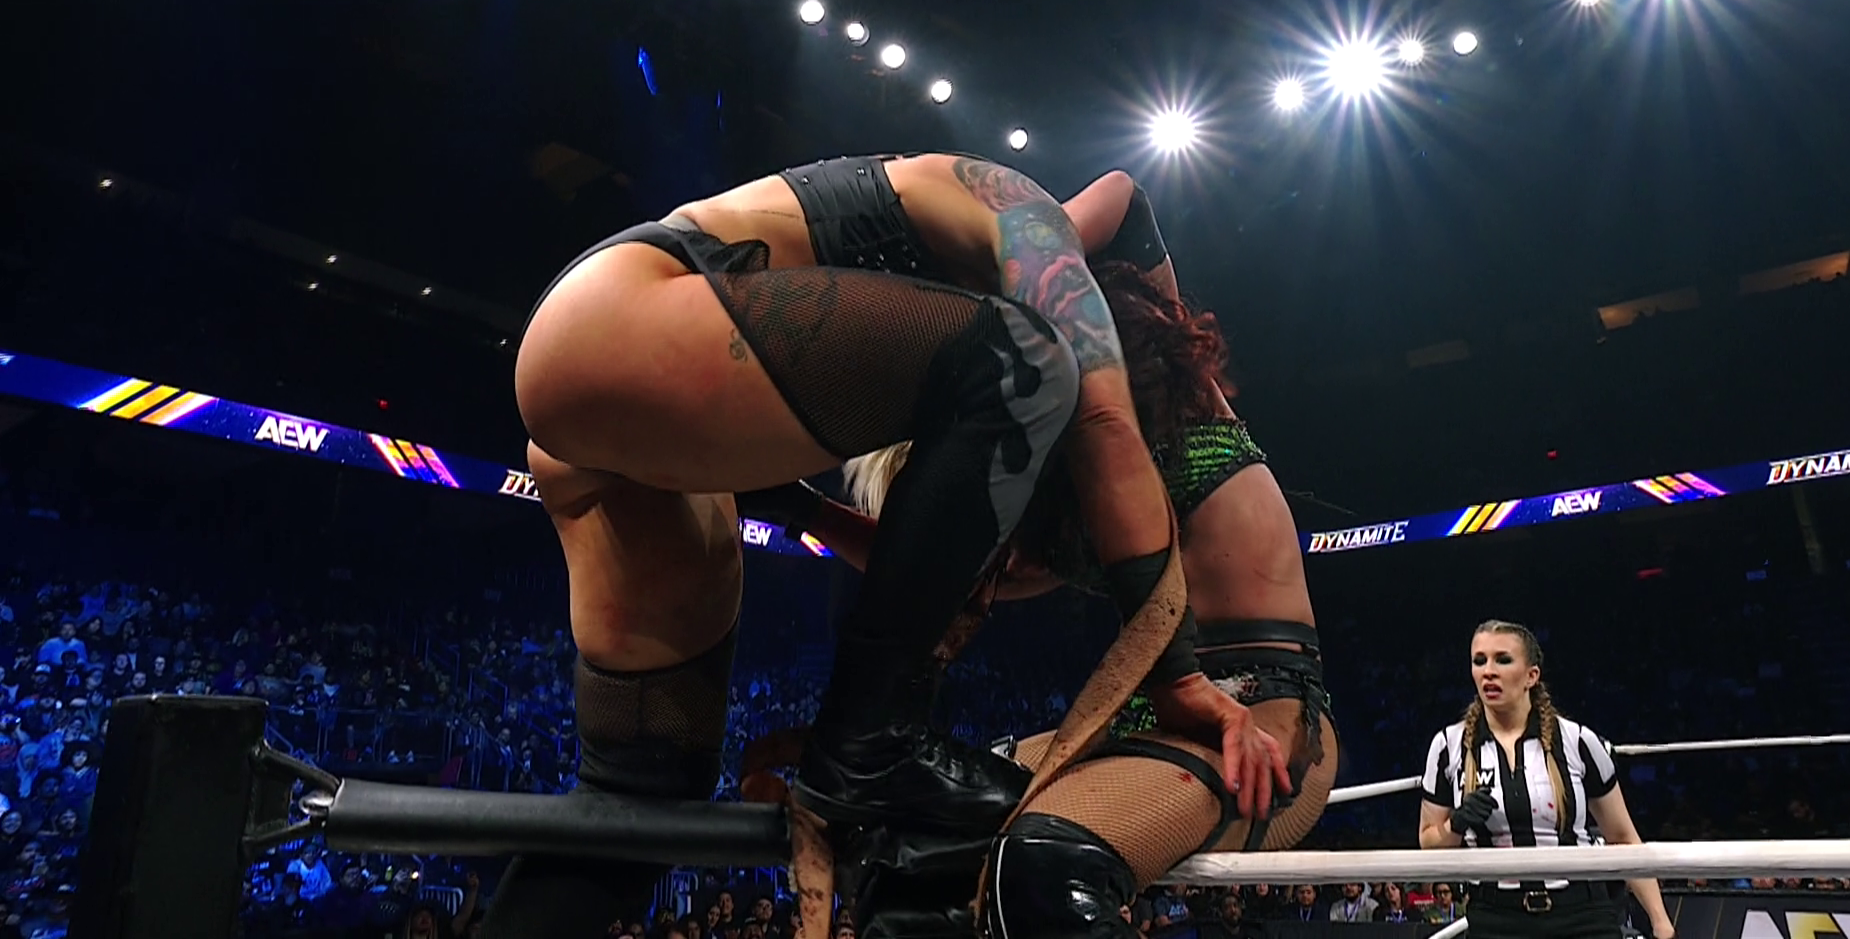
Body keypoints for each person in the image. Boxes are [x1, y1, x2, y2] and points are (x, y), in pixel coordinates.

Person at [493, 154, 1281, 934]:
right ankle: (867, 746)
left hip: (639, 439)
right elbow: (1121, 222)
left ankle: (857, 749)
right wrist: (1176, 674)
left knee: (642, 800)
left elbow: (958, 570)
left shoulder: (926, 360)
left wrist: (808, 510)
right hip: (625, 310)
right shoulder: (1023, 216)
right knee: (1030, 361)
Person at [786, 174, 1337, 939]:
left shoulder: (1170, 382)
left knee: (1047, 868)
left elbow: (1125, 200)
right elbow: (931, 570)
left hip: (1264, 710)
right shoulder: (1053, 486)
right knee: (914, 835)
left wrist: (1013, 276)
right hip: (1139, 714)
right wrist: (796, 507)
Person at [1417, 620, 1675, 939]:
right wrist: (1456, 824)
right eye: (1479, 661)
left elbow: (1623, 838)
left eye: (1503, 660)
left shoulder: (1577, 741)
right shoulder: (1448, 746)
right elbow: (1428, 842)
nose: (1489, 672)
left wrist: (1661, 923)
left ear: (1532, 675)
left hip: (1580, 914)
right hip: (1495, 918)